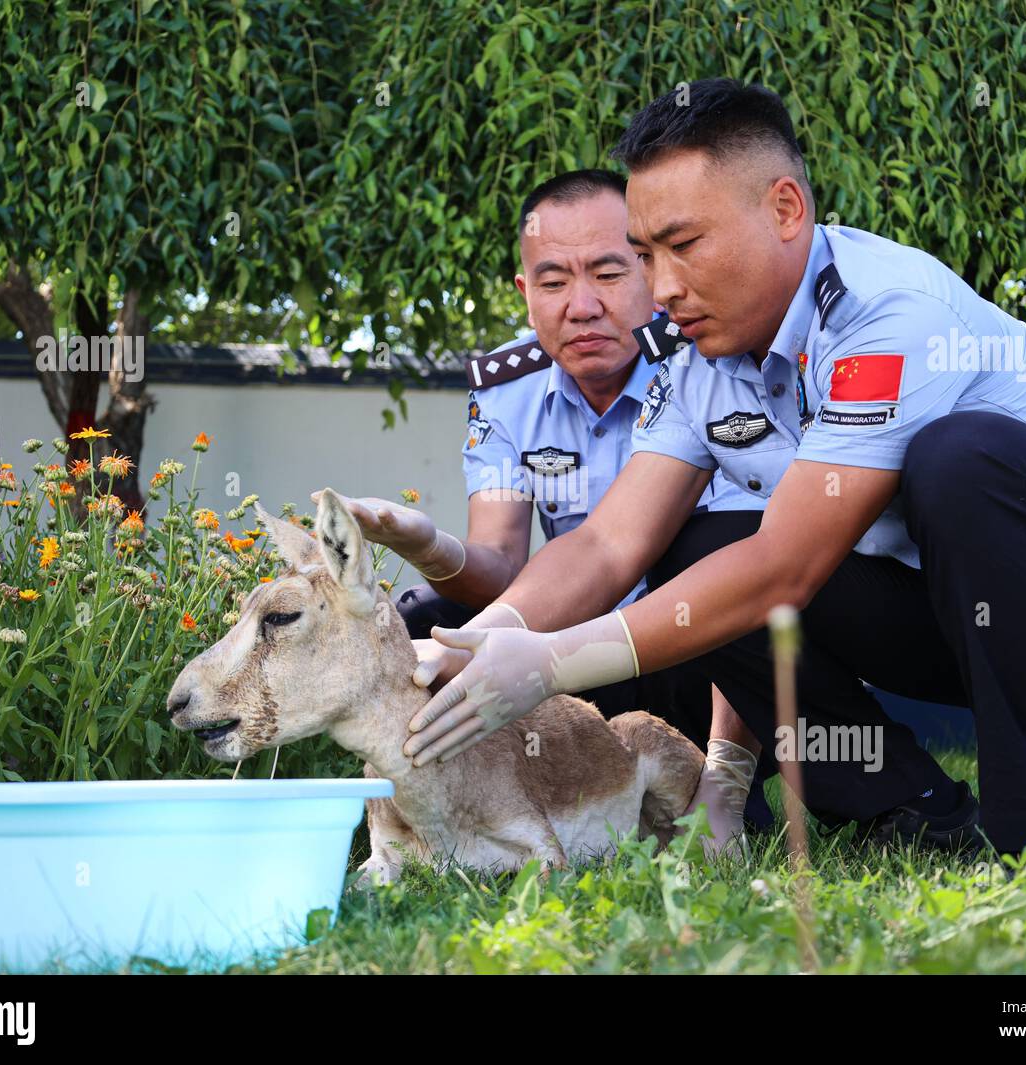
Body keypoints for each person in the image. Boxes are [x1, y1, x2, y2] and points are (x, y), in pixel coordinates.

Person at [401, 79, 1026, 877]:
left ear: (785, 210)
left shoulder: (887, 311)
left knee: (962, 457)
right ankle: (915, 812)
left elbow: (786, 562)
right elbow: (609, 541)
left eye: (684, 244)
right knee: (693, 542)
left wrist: (553, 661)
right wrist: (484, 637)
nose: (662, 287)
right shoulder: (698, 351)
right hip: (957, 618)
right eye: (645, 256)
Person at [323, 169, 765, 851]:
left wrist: (723, 782)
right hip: (556, 660)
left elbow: (748, 575)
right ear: (527, 295)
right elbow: (501, 572)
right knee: (418, 619)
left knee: (720, 552)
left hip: (689, 650)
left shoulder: (705, 363)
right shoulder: (508, 387)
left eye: (610, 274)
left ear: (652, 271)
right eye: (555, 282)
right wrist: (426, 543)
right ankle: (408, 810)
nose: (582, 306)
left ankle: (720, 781)